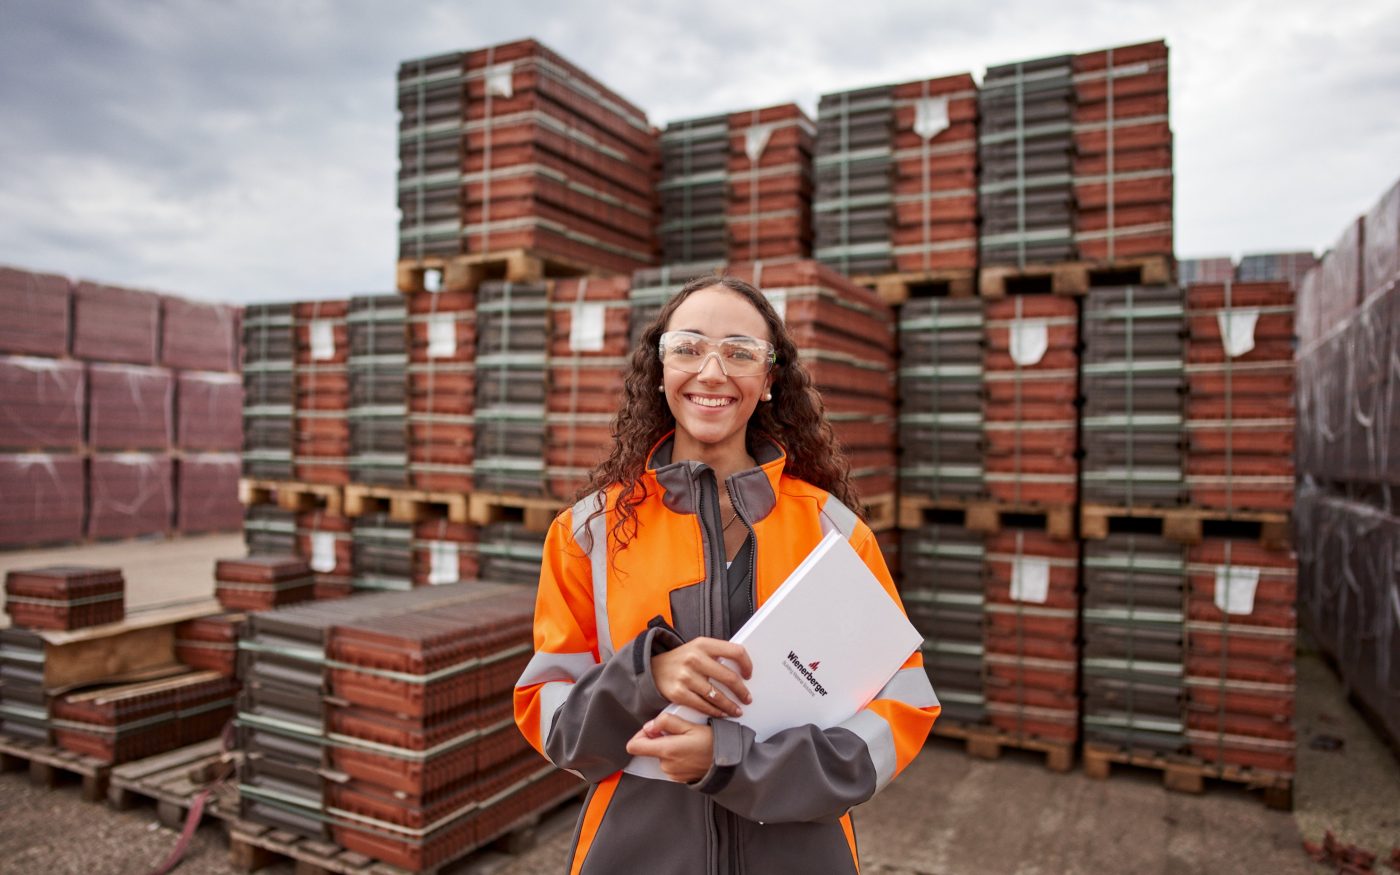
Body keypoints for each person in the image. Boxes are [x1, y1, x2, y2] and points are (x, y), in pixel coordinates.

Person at [513, 275, 939, 873]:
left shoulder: (833, 534)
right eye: (688, 347)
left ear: (768, 380)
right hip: (637, 851)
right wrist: (647, 675)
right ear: (660, 371)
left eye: (739, 352)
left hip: (799, 852)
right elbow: (551, 717)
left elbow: (903, 705)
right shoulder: (588, 534)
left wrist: (734, 761)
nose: (712, 372)